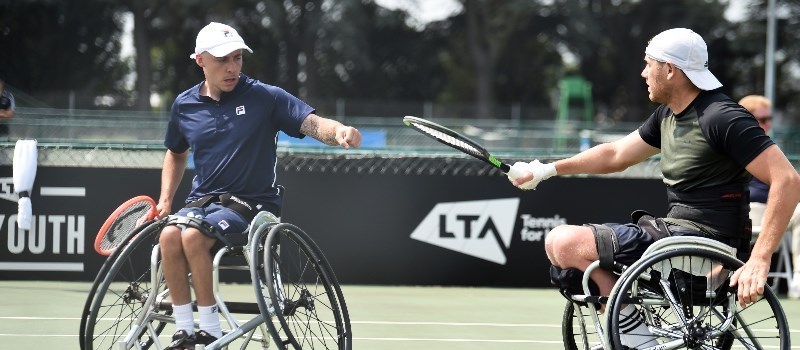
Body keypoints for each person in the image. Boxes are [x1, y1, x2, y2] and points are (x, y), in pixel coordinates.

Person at [510, 28, 800, 348]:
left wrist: (760, 260)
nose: (643, 72)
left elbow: (787, 180)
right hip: (676, 234)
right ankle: (631, 333)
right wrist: (546, 169)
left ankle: (638, 342)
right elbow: (615, 155)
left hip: (706, 244)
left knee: (563, 241)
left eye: (649, 64)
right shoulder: (667, 115)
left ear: (671, 70)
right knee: (559, 248)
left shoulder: (722, 117)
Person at [156, 22, 362, 350]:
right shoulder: (184, 105)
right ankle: (184, 332)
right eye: (223, 59)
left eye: (237, 58)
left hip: (252, 205)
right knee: (168, 235)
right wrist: (166, 200)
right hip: (200, 203)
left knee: (193, 236)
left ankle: (209, 330)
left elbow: (313, 123)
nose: (232, 67)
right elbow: (176, 153)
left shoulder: (265, 97)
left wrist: (338, 132)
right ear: (200, 61)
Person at [739, 94, 800, 299]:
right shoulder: (735, 146)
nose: (768, 124)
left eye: (769, 119)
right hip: (750, 211)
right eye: (763, 120)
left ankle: (799, 278)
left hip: (776, 210)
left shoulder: (770, 147)